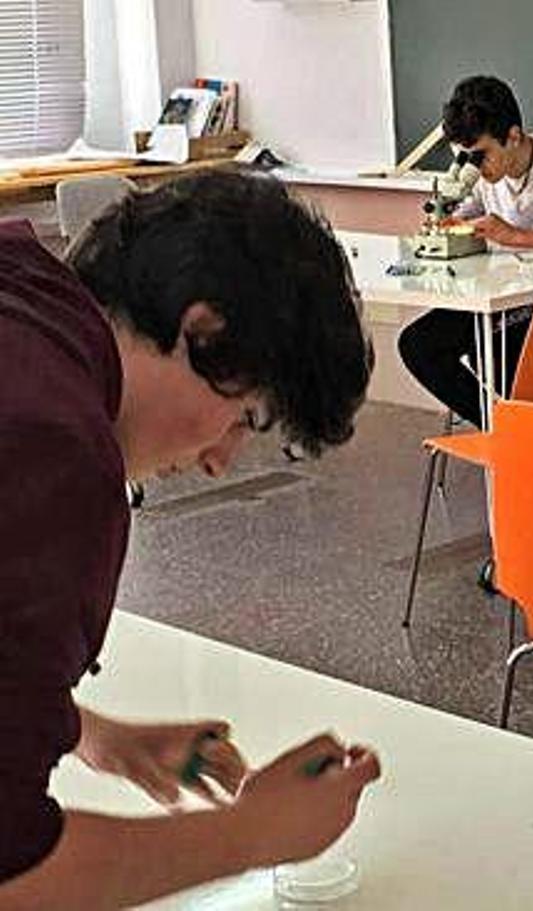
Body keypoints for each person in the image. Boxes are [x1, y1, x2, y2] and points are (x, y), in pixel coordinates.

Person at [0, 170, 380, 907]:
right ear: (203, 331)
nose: (217, 460)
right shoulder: (53, 450)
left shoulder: (20, 284)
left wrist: (85, 733)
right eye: (245, 417)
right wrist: (253, 834)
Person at [398, 74, 533, 428]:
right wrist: (445, 220)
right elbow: (461, 215)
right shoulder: (485, 176)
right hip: (503, 296)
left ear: (513, 137)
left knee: (492, 355)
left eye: (481, 155)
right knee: (420, 345)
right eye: (466, 156)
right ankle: (506, 431)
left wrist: (515, 236)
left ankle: (530, 435)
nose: (475, 166)